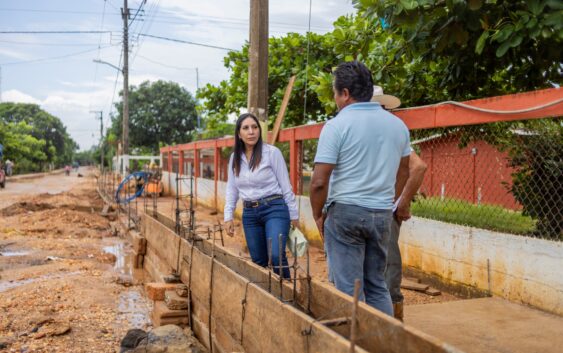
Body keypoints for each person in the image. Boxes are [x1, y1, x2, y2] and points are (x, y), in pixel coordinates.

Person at [310, 61, 411, 316]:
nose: (335, 99)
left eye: (335, 93)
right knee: (377, 286)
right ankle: (381, 344)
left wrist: (317, 214)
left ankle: (353, 345)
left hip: (346, 214)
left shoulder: (336, 126)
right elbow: (404, 171)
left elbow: (319, 181)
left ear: (344, 93)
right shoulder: (397, 126)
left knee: (348, 289)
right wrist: (388, 201)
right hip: (382, 214)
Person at [371, 86, 428, 321]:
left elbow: (418, 167)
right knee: (384, 263)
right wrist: (400, 202)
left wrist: (400, 203)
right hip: (382, 206)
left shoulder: (385, 131)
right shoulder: (391, 130)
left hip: (378, 207)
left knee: (385, 264)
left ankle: (390, 323)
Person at [224, 113, 299, 278]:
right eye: (246, 128)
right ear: (239, 134)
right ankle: (266, 298)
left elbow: (286, 186)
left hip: (275, 209)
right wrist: (228, 215)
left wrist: (293, 215)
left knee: (276, 255)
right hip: (250, 214)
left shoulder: (272, 153)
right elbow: (232, 188)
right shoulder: (234, 158)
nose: (251, 132)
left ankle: (285, 295)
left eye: (255, 127)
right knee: (259, 261)